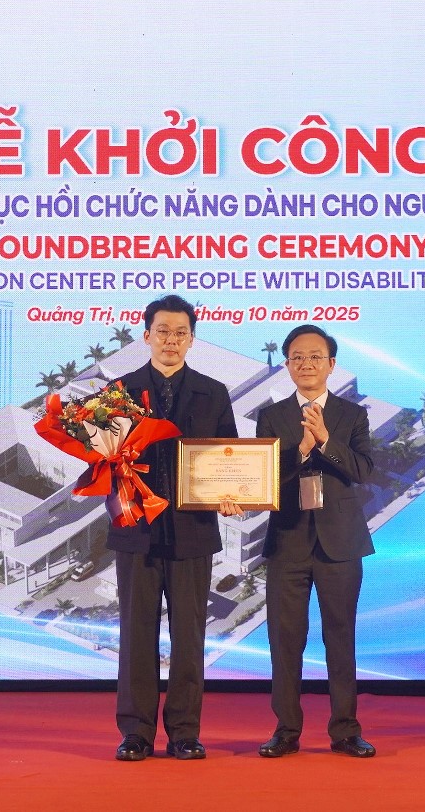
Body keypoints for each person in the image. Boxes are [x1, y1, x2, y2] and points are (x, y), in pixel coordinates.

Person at [108, 294, 240, 762]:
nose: (171, 340)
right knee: (135, 635)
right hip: (136, 529)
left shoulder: (213, 392)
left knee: (190, 636)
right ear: (146, 335)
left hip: (193, 532)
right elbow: (103, 457)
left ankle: (185, 732)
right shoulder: (119, 392)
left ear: (191, 339)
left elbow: (229, 455)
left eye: (180, 332)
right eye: (162, 331)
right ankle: (136, 733)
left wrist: (231, 493)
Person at [255, 324, 377, 758]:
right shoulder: (271, 417)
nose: (306, 364)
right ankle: (286, 730)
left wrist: (325, 441)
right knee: (285, 639)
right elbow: (265, 478)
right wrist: (302, 451)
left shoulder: (352, 414)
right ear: (287, 365)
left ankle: (345, 731)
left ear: (331, 364)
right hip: (287, 541)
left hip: (340, 544)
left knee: (340, 637)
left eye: (315, 357)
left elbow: (363, 471)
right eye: (297, 357)